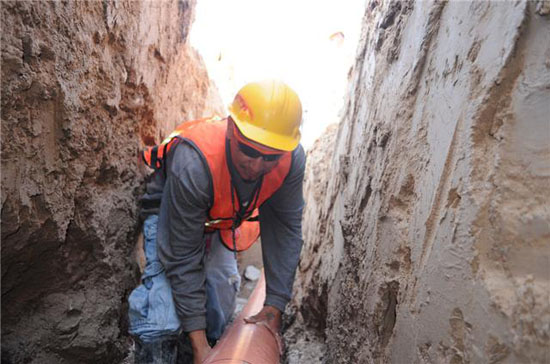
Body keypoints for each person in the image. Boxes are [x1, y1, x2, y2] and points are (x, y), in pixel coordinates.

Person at [128, 80, 306, 364]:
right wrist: (199, 345)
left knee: (221, 296)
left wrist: (274, 307)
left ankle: (205, 351)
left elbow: (285, 231)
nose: (258, 165)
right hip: (172, 213)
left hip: (220, 220)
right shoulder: (195, 161)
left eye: (270, 157)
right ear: (232, 130)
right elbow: (183, 255)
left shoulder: (291, 160)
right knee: (162, 311)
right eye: (250, 150)